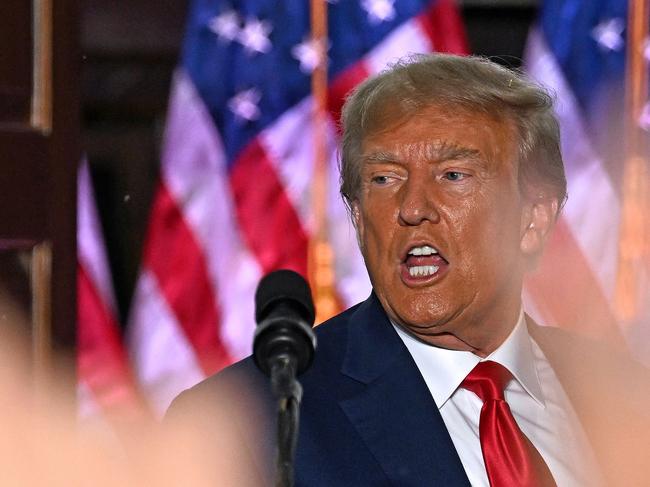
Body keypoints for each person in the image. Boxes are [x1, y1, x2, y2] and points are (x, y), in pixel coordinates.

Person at [166, 54, 650, 486]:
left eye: (453, 175)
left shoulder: (627, 397)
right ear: (357, 216)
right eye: (384, 179)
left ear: (533, 218)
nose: (413, 207)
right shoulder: (246, 424)